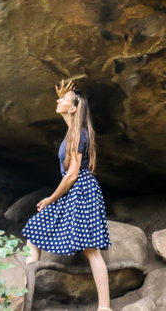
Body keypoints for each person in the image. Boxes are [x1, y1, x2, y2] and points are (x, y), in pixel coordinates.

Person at [23, 79, 112, 311]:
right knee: (34, 233)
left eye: (63, 100)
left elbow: (72, 175)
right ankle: (25, 296)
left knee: (91, 250)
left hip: (80, 189)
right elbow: (71, 175)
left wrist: (51, 198)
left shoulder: (78, 134)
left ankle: (104, 308)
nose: (58, 100)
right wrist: (67, 96)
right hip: (76, 189)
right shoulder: (73, 131)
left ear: (73, 109)